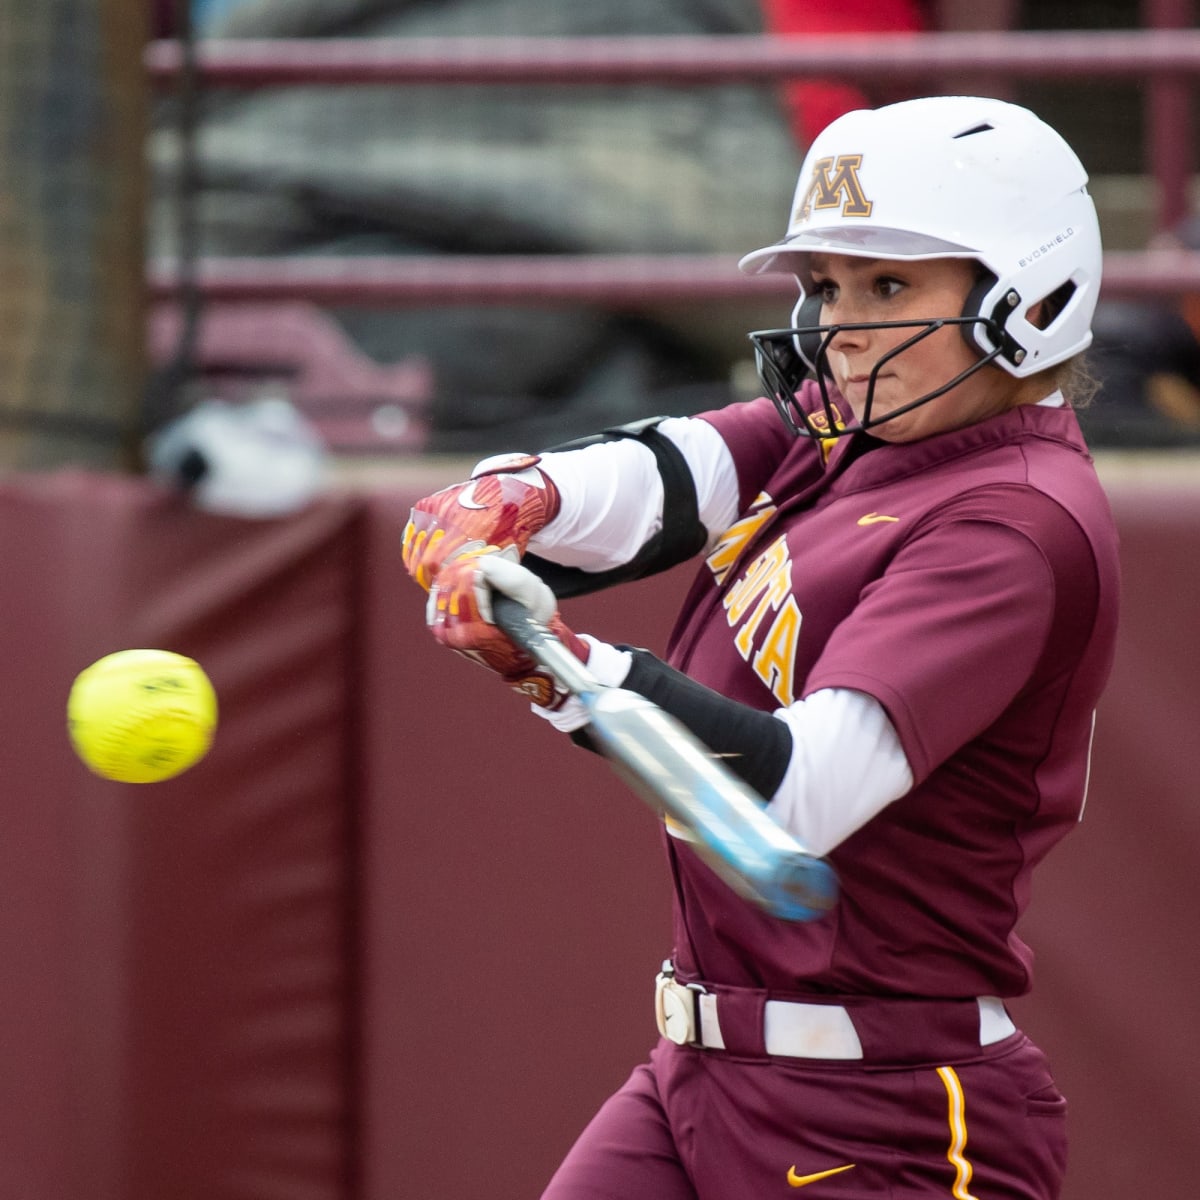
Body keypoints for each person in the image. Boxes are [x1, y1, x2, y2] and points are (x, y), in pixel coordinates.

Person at [402, 95, 1121, 1200]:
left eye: (890, 286)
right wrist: (513, 496)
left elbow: (794, 801)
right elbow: (663, 477)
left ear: (1030, 296)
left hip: (886, 1116)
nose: (842, 326)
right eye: (828, 287)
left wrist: (566, 670)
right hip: (700, 1074)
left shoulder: (1012, 523)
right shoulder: (854, 429)